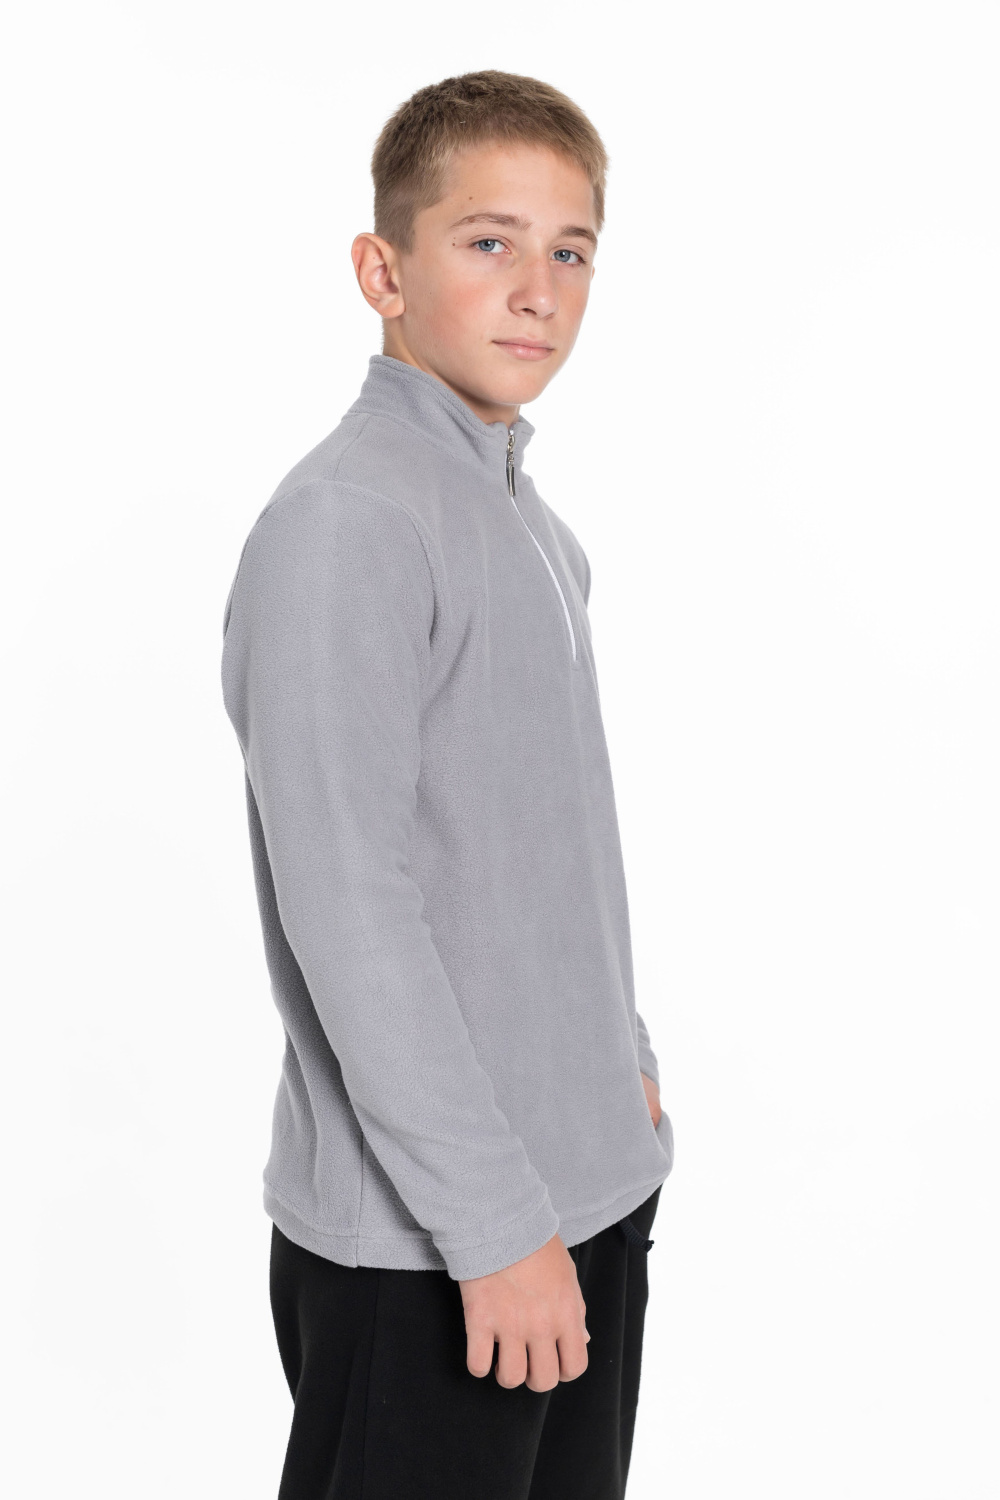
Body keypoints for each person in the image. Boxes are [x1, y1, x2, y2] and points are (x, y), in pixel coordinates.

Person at [220, 68, 674, 1500]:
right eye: (489, 241)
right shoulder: (349, 521)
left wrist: (621, 1071)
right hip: (439, 1245)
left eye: (572, 250)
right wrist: (490, 1226)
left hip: (581, 1197)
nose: (539, 289)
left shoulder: (528, 520)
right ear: (383, 271)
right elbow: (349, 906)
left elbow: (544, 848)